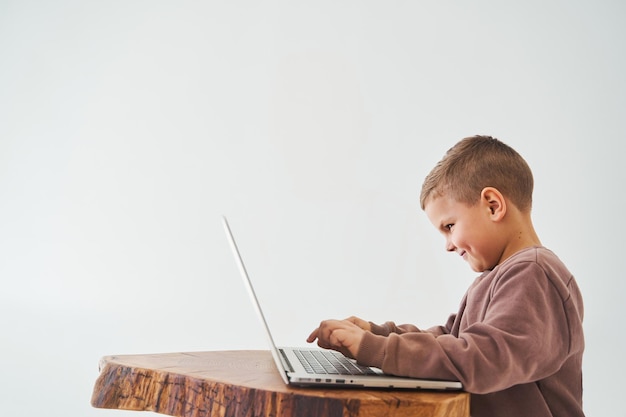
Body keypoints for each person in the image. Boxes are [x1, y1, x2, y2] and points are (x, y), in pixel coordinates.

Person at [307, 135, 585, 417]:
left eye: (450, 226)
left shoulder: (533, 273)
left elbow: (480, 358)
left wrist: (377, 348)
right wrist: (376, 333)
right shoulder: (502, 275)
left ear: (492, 205)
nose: (448, 244)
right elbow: (452, 338)